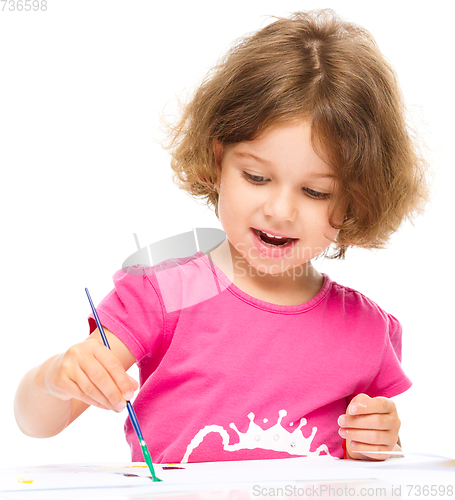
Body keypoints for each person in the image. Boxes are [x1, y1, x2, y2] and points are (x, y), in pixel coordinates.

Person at [14, 9, 428, 464]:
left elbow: (378, 461)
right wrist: (56, 377)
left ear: (355, 200)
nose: (280, 210)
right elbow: (35, 423)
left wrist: (382, 441)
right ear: (217, 162)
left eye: (315, 191)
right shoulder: (163, 294)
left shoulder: (366, 330)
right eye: (256, 176)